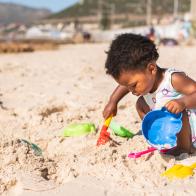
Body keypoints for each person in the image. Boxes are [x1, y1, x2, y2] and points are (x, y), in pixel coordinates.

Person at [103, 33, 196, 156]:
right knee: (140, 103)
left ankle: (184, 148)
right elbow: (125, 85)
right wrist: (113, 101)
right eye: (128, 86)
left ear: (151, 69)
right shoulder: (142, 81)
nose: (131, 90)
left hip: (190, 129)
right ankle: (157, 137)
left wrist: (183, 102)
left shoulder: (173, 79)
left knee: (178, 111)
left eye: (134, 85)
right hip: (170, 127)